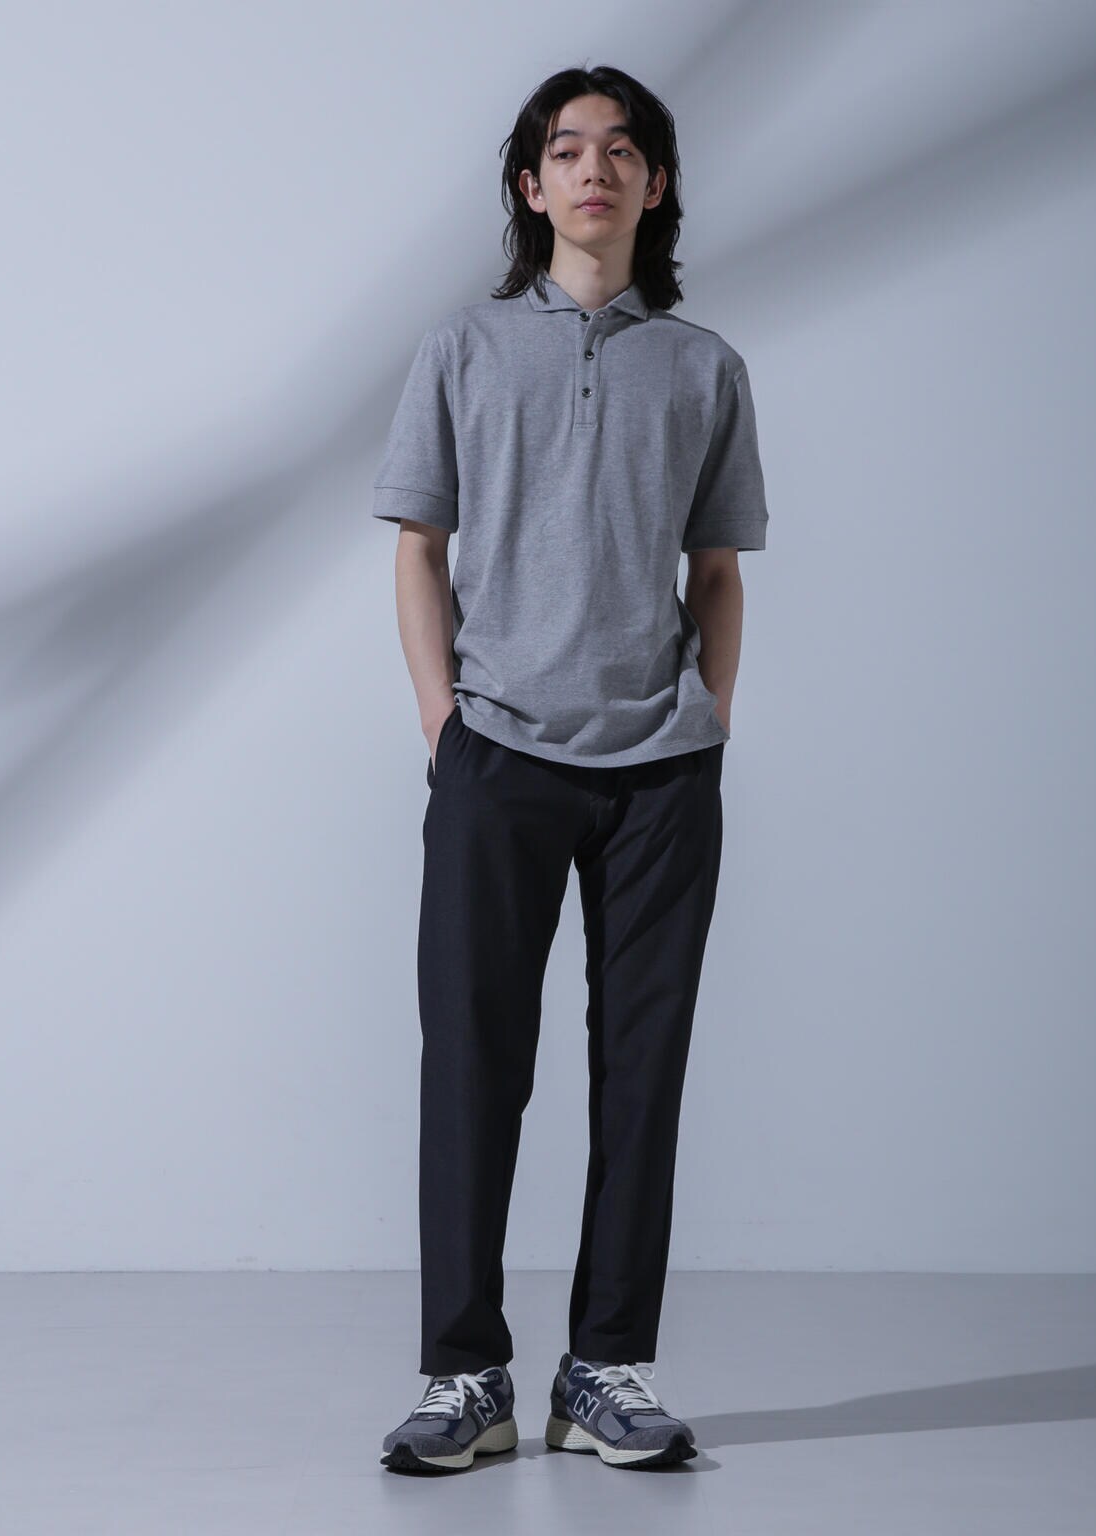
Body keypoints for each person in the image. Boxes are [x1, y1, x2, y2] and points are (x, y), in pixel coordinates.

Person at [372, 63, 768, 1474]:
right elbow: (419, 550)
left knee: (642, 1070)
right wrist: (447, 728)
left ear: (656, 184)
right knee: (473, 1065)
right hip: (497, 753)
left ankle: (604, 1365)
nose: (593, 169)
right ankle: (464, 1376)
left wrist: (707, 720)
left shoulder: (704, 367)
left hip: (661, 770)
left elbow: (716, 573)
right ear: (531, 185)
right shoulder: (463, 350)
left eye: (620, 149)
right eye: (565, 149)